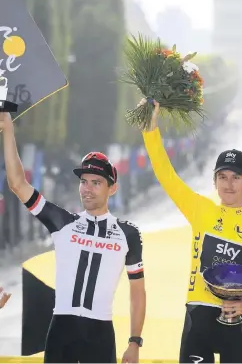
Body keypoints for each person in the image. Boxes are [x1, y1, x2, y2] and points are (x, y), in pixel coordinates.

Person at [142, 100, 242, 363]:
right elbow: (166, 174)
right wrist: (150, 130)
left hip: (237, 319)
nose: (229, 184)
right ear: (214, 181)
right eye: (223, 177)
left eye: (236, 177)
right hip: (199, 318)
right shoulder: (200, 210)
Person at [0, 112, 146, 363]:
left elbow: (138, 292)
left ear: (112, 188)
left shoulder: (128, 234)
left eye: (96, 183)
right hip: (61, 331)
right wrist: (9, 131)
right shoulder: (63, 223)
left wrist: (134, 342)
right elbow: (17, 184)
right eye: (84, 182)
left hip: (100, 334)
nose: (87, 189)